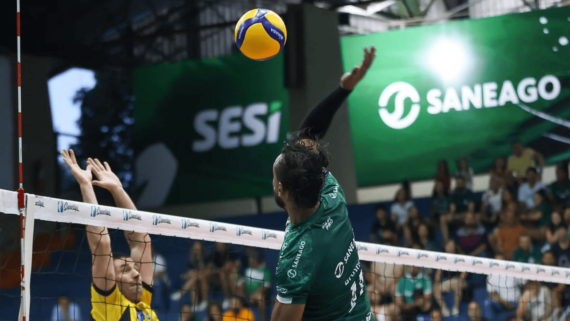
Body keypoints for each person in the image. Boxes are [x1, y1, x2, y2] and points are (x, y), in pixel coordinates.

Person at [270, 46, 375, 321]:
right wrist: (343, 89)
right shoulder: (330, 192)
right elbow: (307, 134)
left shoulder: (296, 260)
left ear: (281, 189)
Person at [61, 150, 157, 320]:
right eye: (125, 270)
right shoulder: (110, 305)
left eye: (135, 268)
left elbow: (141, 241)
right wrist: (85, 185)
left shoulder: (143, 305)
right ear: (112, 280)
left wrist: (118, 190)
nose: (137, 274)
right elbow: (102, 245)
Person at [171, 241, 210, 311]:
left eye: (198, 246)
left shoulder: (206, 257)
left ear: (201, 247)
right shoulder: (192, 259)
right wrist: (189, 274)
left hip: (206, 280)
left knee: (199, 276)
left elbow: (206, 271)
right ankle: (195, 305)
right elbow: (190, 271)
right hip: (196, 280)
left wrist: (193, 273)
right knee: (193, 283)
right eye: (195, 246)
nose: (197, 248)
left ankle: (182, 292)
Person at [485, 254, 524, 320]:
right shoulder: (491, 276)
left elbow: (524, 284)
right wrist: (504, 302)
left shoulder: (513, 271)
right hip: (501, 303)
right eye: (497, 262)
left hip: (516, 302)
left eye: (501, 261)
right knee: (488, 303)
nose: (499, 264)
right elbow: (491, 294)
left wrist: (523, 297)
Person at [433, 240, 466, 317]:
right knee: (435, 288)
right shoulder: (442, 259)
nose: (450, 247)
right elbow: (437, 277)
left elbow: (463, 275)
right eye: (448, 245)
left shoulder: (461, 257)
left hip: (459, 281)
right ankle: (444, 309)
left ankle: (456, 308)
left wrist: (459, 280)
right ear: (445, 247)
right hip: (447, 282)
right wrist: (436, 283)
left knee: (457, 284)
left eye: (452, 245)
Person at [237, 249, 271, 321]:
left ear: (256, 260)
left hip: (259, 295)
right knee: (238, 293)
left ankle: (263, 319)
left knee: (260, 297)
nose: (249, 260)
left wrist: (254, 294)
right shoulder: (247, 269)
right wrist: (241, 291)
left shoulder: (265, 271)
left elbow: (266, 286)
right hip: (248, 293)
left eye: (251, 259)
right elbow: (243, 281)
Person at [441, 175, 475, 242]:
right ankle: (446, 242)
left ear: (464, 183)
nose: (460, 185)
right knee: (442, 218)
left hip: (467, 214)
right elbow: (452, 208)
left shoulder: (469, 193)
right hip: (457, 216)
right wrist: (452, 213)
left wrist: (466, 215)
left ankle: (472, 239)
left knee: (470, 215)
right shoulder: (453, 194)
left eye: (461, 183)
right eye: (458, 184)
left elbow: (471, 208)